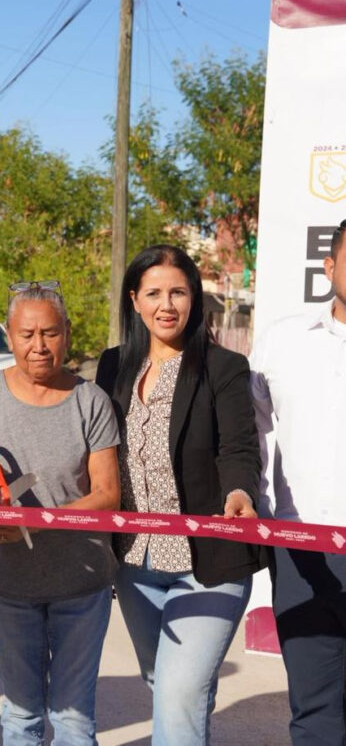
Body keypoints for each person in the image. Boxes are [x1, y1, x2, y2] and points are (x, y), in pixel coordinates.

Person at [0, 282, 121, 746]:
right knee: (21, 716)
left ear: (68, 335)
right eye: (27, 334)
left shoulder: (90, 401)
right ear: (9, 337)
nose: (39, 346)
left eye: (50, 333)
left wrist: (40, 521)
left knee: (73, 721)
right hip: (10, 582)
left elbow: (107, 494)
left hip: (82, 584)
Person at [95, 245, 262, 745]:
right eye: (153, 293)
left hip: (208, 563)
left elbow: (239, 448)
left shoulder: (223, 367)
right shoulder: (112, 368)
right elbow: (96, 452)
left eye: (178, 292)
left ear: (194, 298)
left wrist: (239, 491)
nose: (166, 305)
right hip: (135, 563)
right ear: (134, 300)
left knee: (178, 692)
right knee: (169, 686)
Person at [252, 220, 346, 744]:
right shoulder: (281, 343)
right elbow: (250, 438)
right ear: (328, 266)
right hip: (300, 549)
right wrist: (263, 516)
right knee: (314, 710)